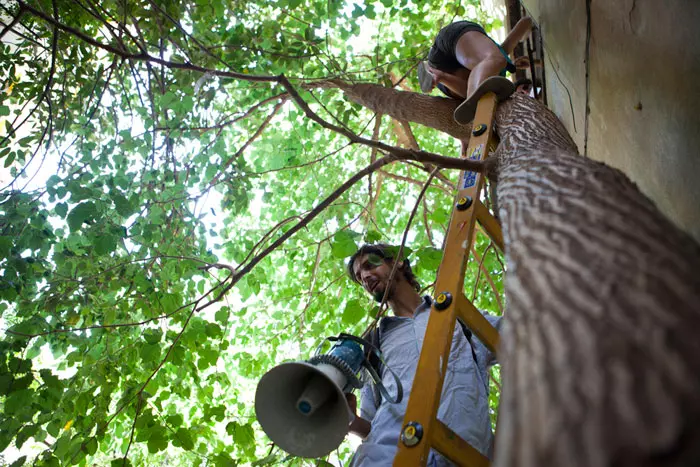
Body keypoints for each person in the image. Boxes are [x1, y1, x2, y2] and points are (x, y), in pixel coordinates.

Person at [345, 243, 502, 466]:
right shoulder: (373, 345)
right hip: (388, 458)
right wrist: (350, 422)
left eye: (370, 266)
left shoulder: (457, 316)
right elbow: (370, 422)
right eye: (360, 278)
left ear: (397, 261)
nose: (366, 277)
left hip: (464, 453)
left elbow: (518, 335)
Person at [418, 17, 534, 123]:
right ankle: (442, 78)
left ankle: (439, 76)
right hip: (452, 44)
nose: (524, 93)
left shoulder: (492, 64)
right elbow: (525, 23)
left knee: (487, 70)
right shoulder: (496, 57)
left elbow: (524, 23)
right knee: (494, 61)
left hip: (449, 68)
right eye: (525, 89)